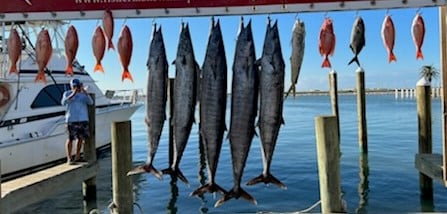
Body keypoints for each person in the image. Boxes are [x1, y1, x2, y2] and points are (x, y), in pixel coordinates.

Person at [61, 78, 94, 165]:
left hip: (83, 119)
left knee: (80, 139)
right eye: (75, 86)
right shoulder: (67, 93)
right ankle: (69, 158)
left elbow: (90, 102)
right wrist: (73, 94)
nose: (77, 88)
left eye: (78, 86)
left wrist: (85, 92)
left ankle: (77, 156)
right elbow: (64, 102)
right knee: (70, 139)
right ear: (72, 86)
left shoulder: (83, 95)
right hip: (71, 119)